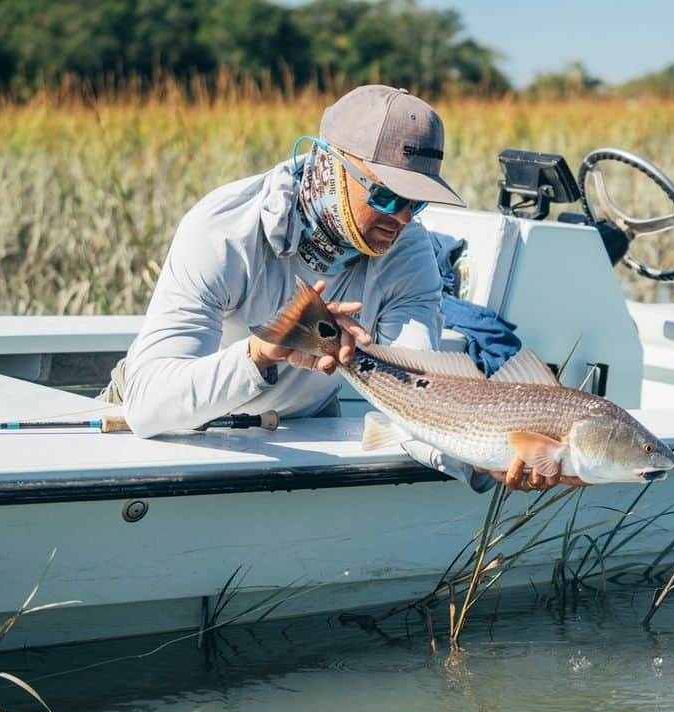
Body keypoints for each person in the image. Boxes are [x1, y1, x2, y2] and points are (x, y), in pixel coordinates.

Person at [104, 84, 580, 493]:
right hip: (167, 428)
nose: (401, 217)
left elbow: (419, 399)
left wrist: (485, 460)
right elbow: (147, 406)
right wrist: (263, 350)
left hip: (301, 427)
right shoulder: (223, 231)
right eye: (385, 194)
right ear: (328, 165)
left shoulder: (410, 253)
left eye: (416, 201)